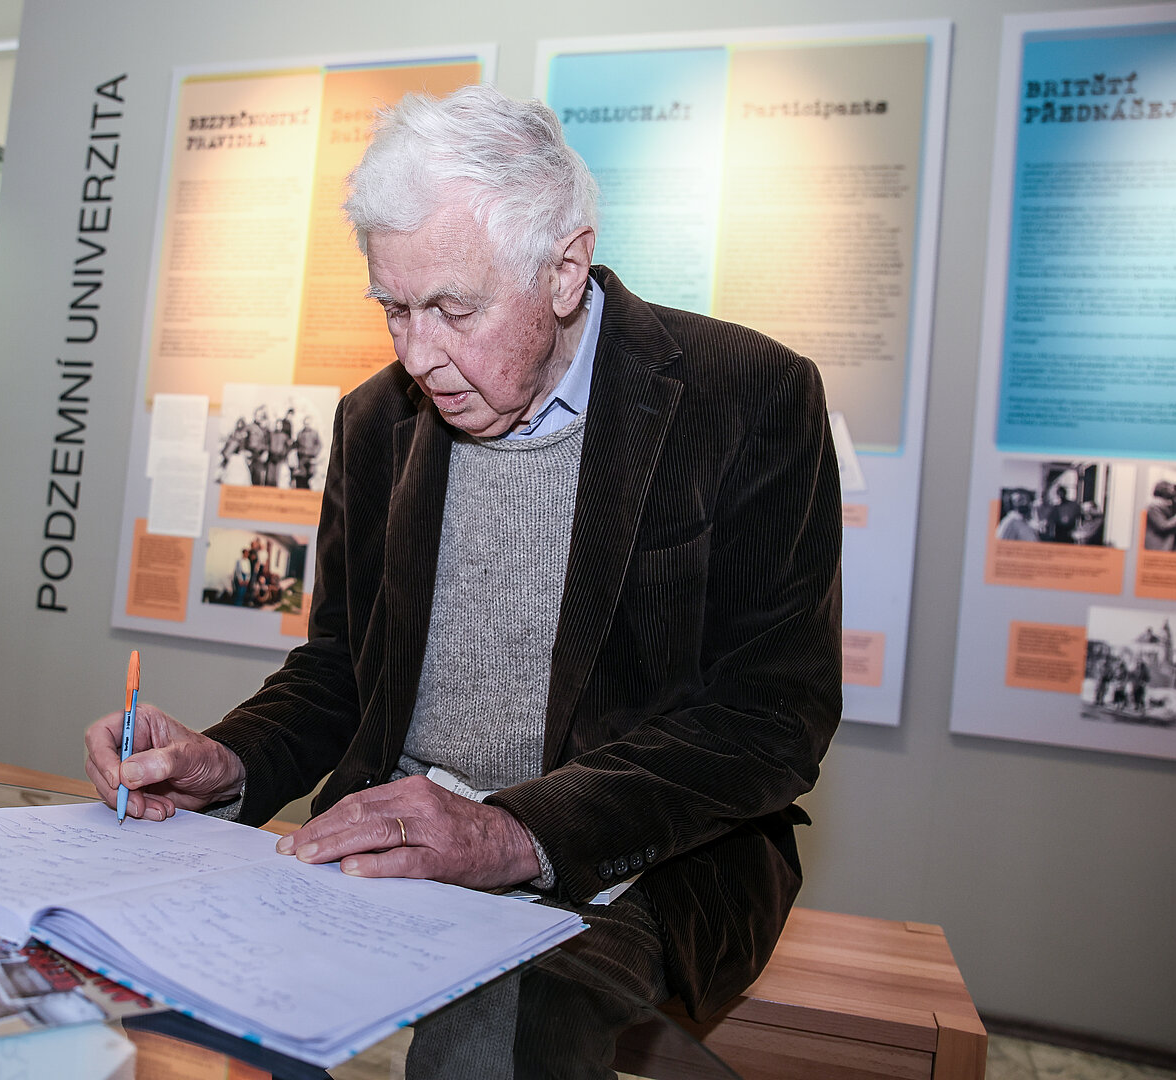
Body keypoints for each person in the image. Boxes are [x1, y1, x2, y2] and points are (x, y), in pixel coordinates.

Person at [86, 85, 841, 1075]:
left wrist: (512, 831)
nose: (418, 354)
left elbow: (769, 722)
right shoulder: (375, 421)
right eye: (394, 308)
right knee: (161, 975)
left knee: (498, 1023)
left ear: (564, 270)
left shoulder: (748, 396)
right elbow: (341, 672)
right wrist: (230, 762)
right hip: (396, 828)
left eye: (452, 309)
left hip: (639, 854)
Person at [1145, 480, 1176, 551]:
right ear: (1164, 490)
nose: (1173, 491)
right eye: (1171, 488)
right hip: (1157, 547)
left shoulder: (1163, 505)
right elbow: (1163, 526)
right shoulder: (1154, 506)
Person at [292, 416, 322, 490]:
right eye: (305, 423)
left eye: (308, 423)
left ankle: (309, 491)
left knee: (311, 474)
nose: (306, 425)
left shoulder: (314, 433)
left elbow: (319, 445)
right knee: (302, 475)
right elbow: (297, 445)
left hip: (311, 457)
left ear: (310, 424)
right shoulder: (300, 433)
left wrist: (314, 453)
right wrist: (298, 450)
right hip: (302, 457)